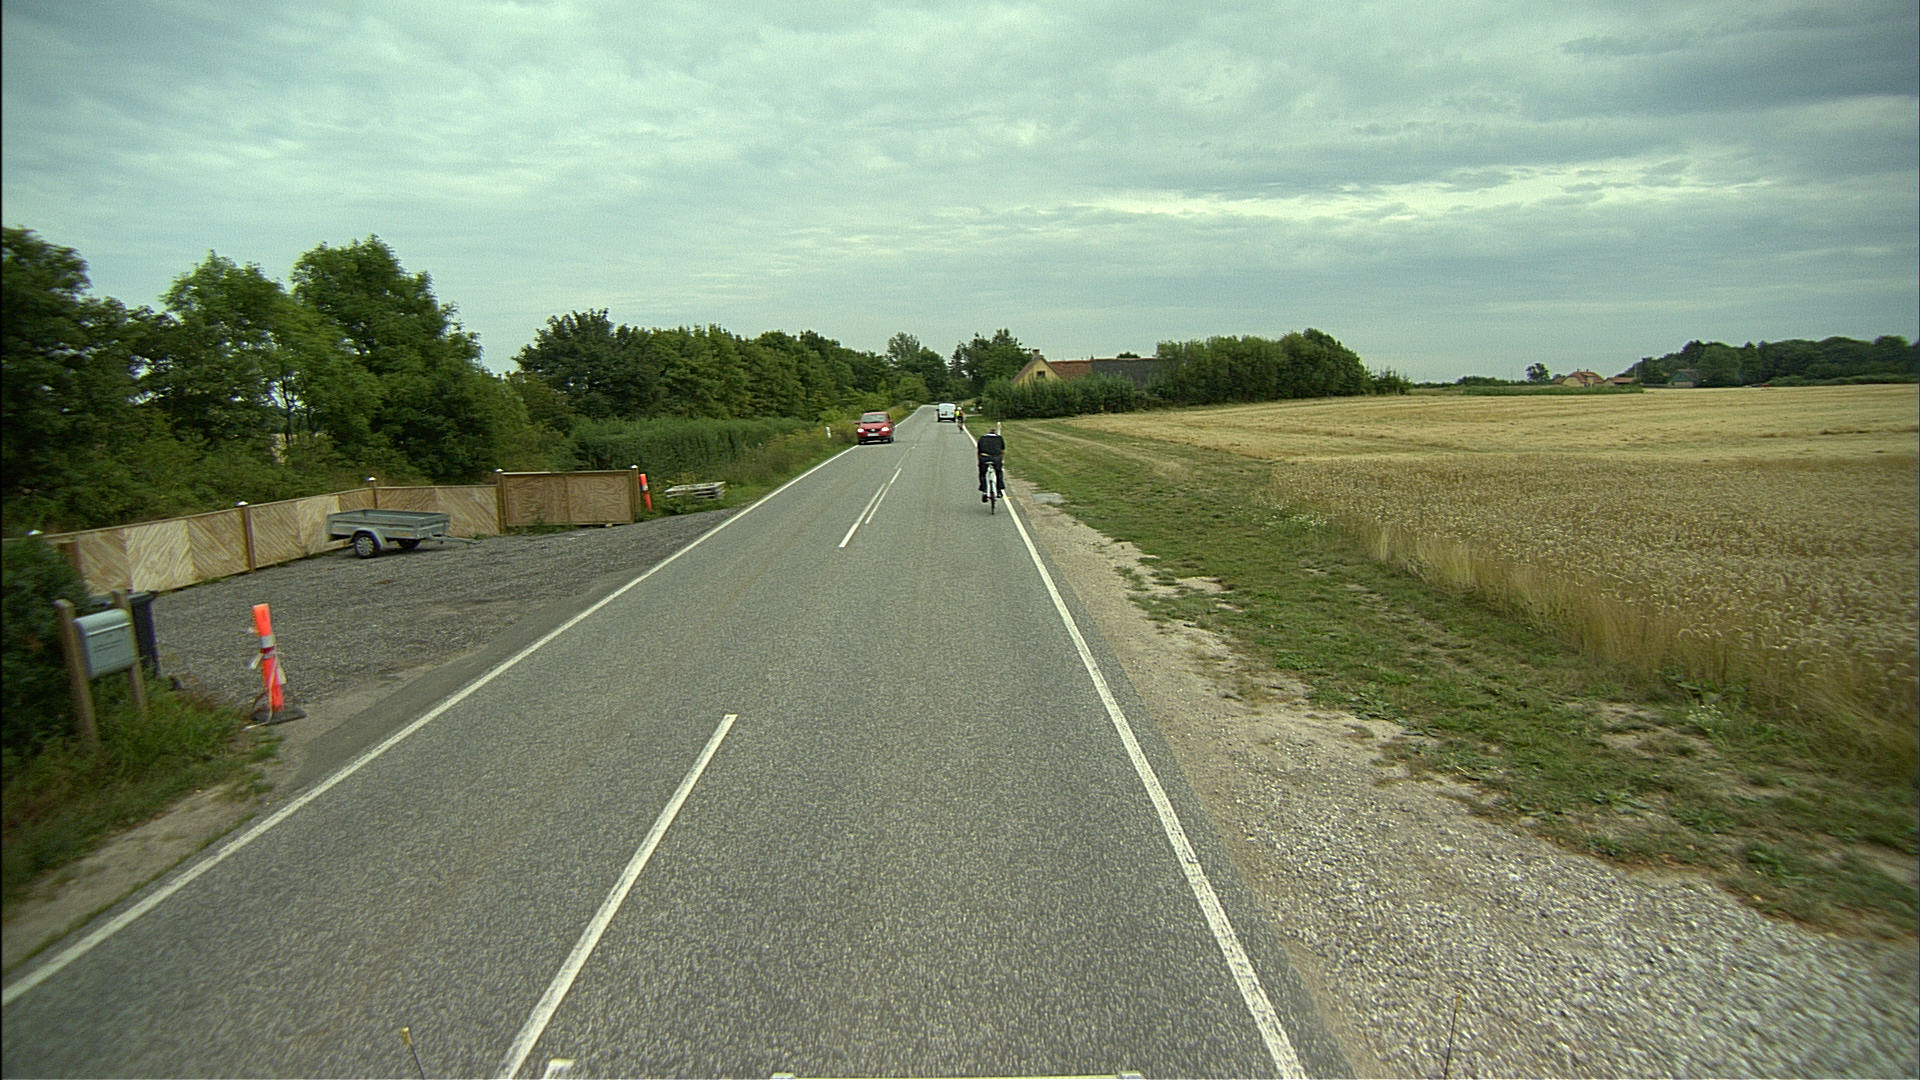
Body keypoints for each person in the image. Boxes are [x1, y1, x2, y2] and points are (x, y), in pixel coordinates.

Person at [976, 423, 1005, 501]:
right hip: (996, 458)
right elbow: (1002, 450)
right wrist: (1002, 460)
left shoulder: (982, 438)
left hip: (984, 457)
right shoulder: (999, 438)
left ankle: (984, 490)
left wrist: (979, 461)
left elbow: (979, 451)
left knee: (982, 474)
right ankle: (999, 489)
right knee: (999, 472)